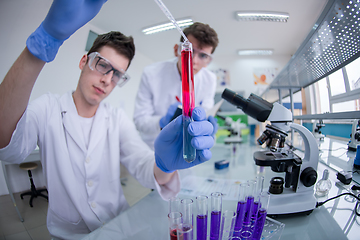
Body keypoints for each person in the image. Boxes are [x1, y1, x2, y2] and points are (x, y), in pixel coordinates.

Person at [0, 1, 215, 239]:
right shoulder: (48, 108)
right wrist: (42, 44)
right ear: (84, 62)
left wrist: (165, 165)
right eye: (102, 65)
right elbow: (8, 148)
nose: (106, 80)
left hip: (119, 228)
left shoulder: (116, 119)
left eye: (117, 74)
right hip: (67, 234)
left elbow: (143, 166)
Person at [133, 22, 219, 149]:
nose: (193, 60)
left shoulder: (210, 80)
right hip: (153, 148)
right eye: (190, 51)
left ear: (208, 61)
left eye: (202, 55)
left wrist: (206, 127)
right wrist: (162, 122)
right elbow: (139, 121)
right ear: (176, 50)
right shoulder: (151, 73)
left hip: (188, 147)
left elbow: (206, 111)